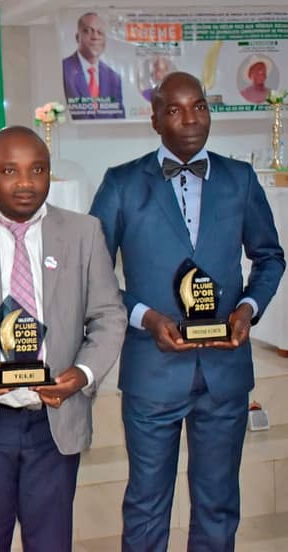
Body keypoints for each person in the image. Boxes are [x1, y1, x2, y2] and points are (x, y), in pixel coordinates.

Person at [89, 72, 285, 551]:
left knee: (219, 503)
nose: (190, 118)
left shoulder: (239, 180)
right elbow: (92, 277)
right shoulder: (121, 184)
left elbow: (269, 256)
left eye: (198, 106)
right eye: (175, 110)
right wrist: (146, 318)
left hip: (225, 372)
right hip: (152, 373)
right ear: (155, 119)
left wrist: (247, 308)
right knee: (147, 503)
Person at [0, 127, 127, 551]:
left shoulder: (83, 232)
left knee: (52, 543)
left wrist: (83, 373)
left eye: (37, 170)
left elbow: (109, 314)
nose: (25, 182)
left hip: (54, 419)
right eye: (10, 171)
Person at [62, 12, 125, 119]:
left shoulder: (113, 77)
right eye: (88, 31)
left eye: (100, 32)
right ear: (78, 37)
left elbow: (120, 120)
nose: (95, 37)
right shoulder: (64, 69)